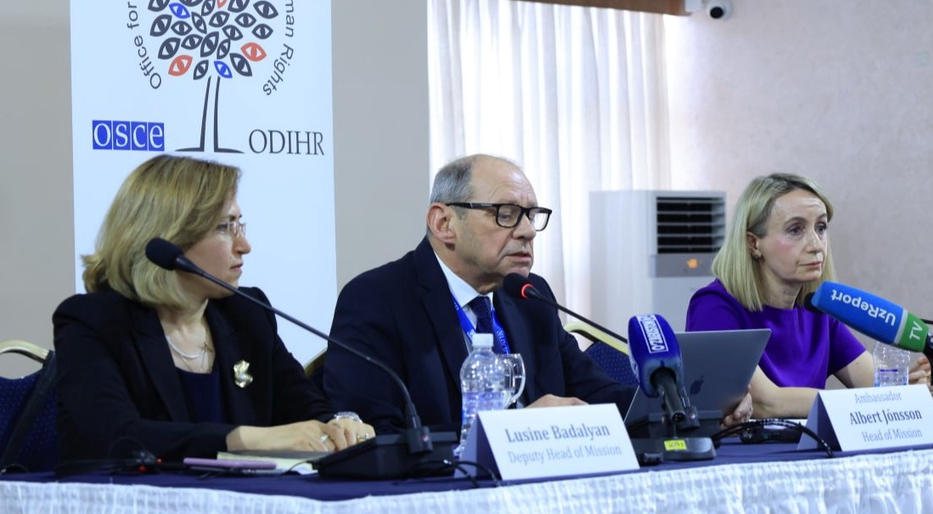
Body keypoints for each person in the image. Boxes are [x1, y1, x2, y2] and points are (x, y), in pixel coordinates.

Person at [322, 154, 752, 435]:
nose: (528, 231)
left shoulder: (529, 296)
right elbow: (375, 435)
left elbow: (594, 391)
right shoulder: (378, 299)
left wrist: (685, 406)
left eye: (532, 215)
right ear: (443, 223)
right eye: (506, 214)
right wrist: (514, 430)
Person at [54, 154, 374, 463]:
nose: (244, 246)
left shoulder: (247, 313)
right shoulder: (94, 322)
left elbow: (304, 406)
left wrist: (340, 424)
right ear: (167, 238)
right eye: (225, 227)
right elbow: (114, 437)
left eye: (240, 225)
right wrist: (243, 440)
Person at [686, 173, 930, 419]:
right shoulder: (714, 307)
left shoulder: (818, 311)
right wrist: (879, 400)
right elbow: (766, 403)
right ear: (753, 244)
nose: (816, 245)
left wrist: (911, 391)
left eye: (821, 228)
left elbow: (876, 387)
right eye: (795, 230)